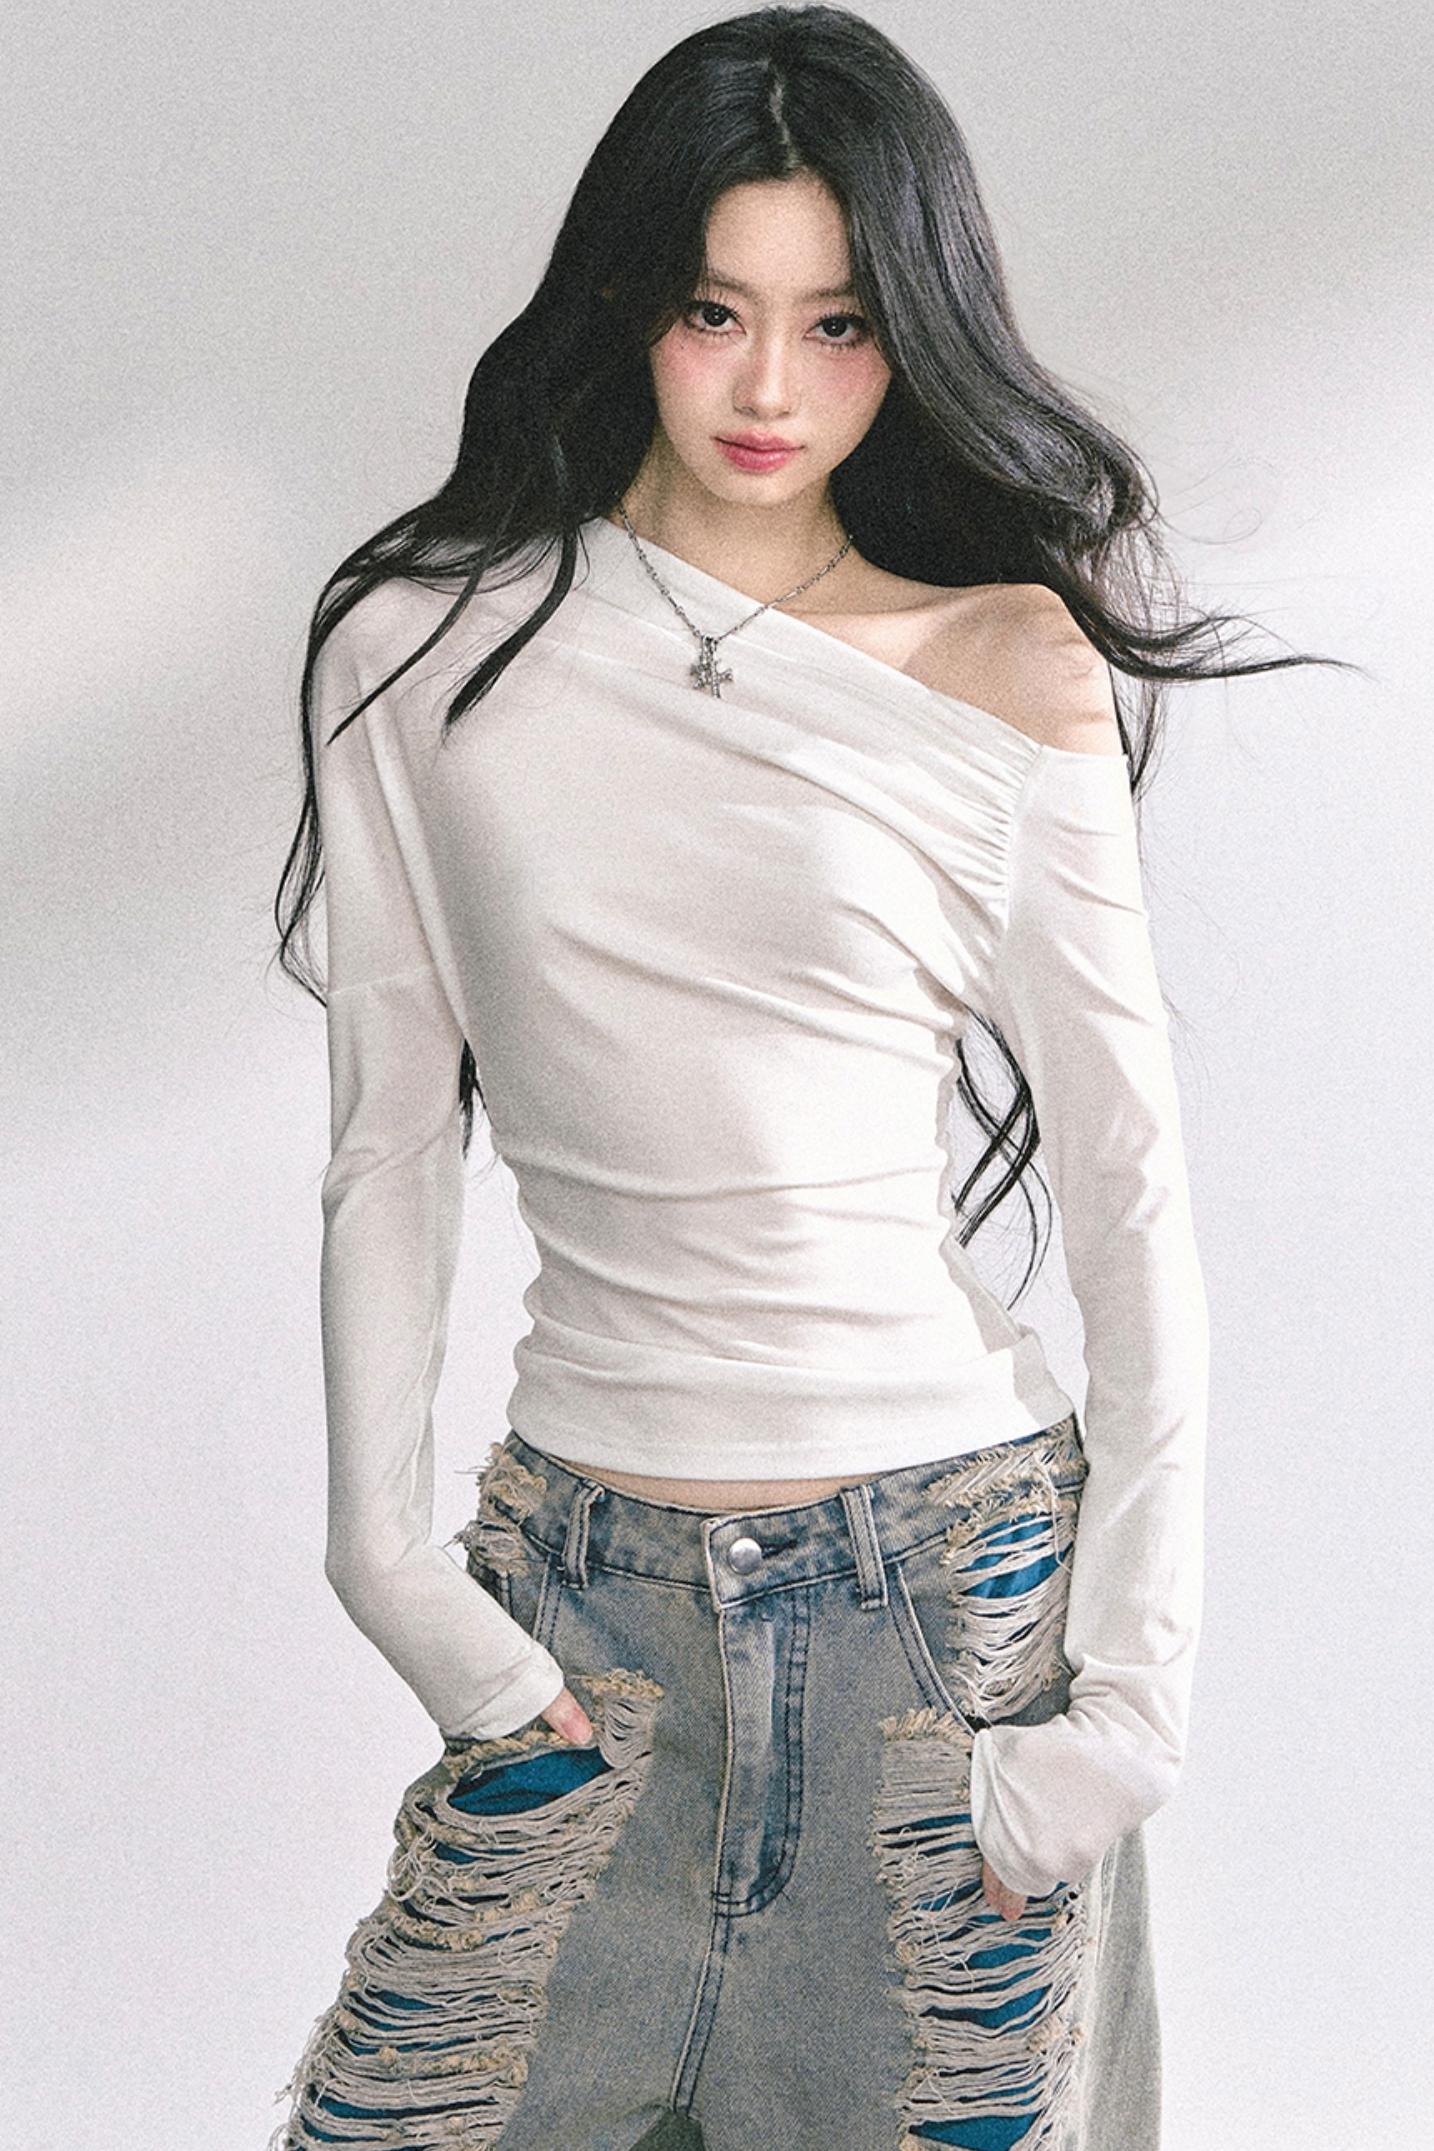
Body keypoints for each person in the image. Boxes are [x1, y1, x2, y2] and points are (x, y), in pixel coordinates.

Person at [267, 9, 1350, 2147]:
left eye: (839, 323)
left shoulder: (1000, 659)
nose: (769, 387)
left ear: (909, 331)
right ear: (631, 308)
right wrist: (390, 1573)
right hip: (580, 1619)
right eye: (715, 311)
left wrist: (1125, 1723)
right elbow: (389, 1137)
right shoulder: (418, 639)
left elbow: (1130, 1196)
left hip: (942, 1633)